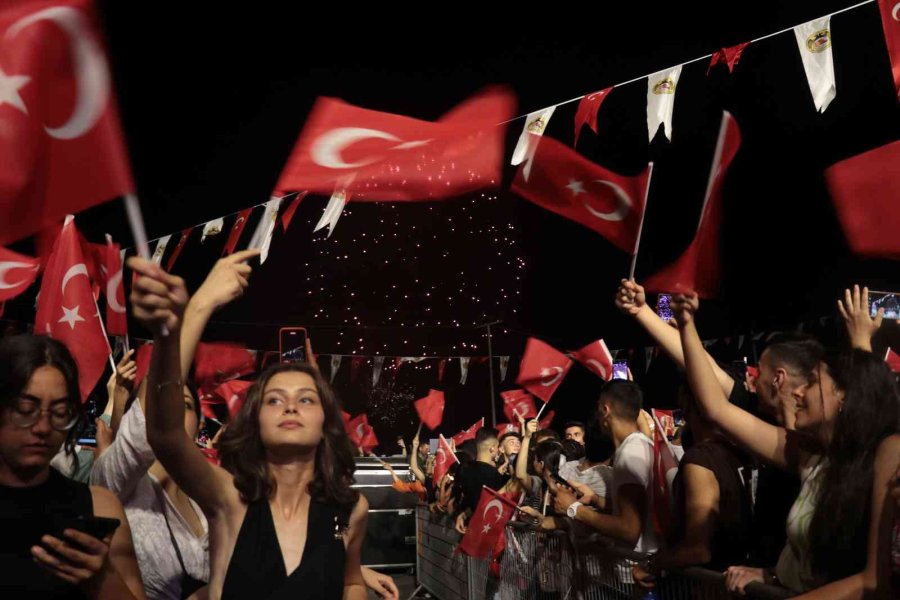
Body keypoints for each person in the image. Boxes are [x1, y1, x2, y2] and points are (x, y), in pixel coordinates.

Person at [129, 254, 368, 600]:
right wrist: (191, 312)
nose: (289, 405)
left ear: (326, 422)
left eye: (305, 399)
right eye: (273, 399)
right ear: (255, 420)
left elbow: (352, 581)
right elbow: (164, 433)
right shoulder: (229, 499)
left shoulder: (351, 510)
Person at [672, 286, 900, 598]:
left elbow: (872, 580)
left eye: (812, 383)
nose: (797, 392)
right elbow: (716, 408)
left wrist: (861, 342)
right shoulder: (809, 456)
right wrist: (687, 325)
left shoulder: (884, 454)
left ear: (845, 396)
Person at [0, 334, 146, 600]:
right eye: (25, 409)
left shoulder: (100, 508)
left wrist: (102, 577)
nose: (43, 428)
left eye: (59, 413)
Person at [633, 383, 754, 586]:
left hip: (708, 585)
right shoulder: (738, 451)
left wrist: (653, 563)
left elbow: (698, 550)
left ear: (689, 408)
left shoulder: (700, 459)